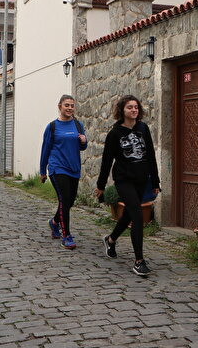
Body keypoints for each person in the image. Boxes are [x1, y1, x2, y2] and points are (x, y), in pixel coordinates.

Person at [94, 95, 160, 276]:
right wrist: (101, 186)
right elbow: (106, 162)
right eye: (130, 107)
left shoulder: (143, 128)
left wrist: (155, 181)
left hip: (141, 179)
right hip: (124, 180)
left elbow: (151, 156)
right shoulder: (115, 134)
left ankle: (111, 239)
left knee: (129, 214)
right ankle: (139, 261)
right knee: (137, 217)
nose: (134, 110)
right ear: (122, 110)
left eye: (136, 107)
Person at [40, 95, 87, 250]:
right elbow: (45, 149)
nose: (69, 108)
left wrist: (84, 142)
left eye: (72, 105)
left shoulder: (78, 125)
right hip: (57, 167)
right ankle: (66, 235)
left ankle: (54, 222)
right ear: (60, 106)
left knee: (69, 201)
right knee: (65, 199)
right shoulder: (52, 127)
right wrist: (43, 171)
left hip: (73, 168)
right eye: (67, 105)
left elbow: (81, 148)